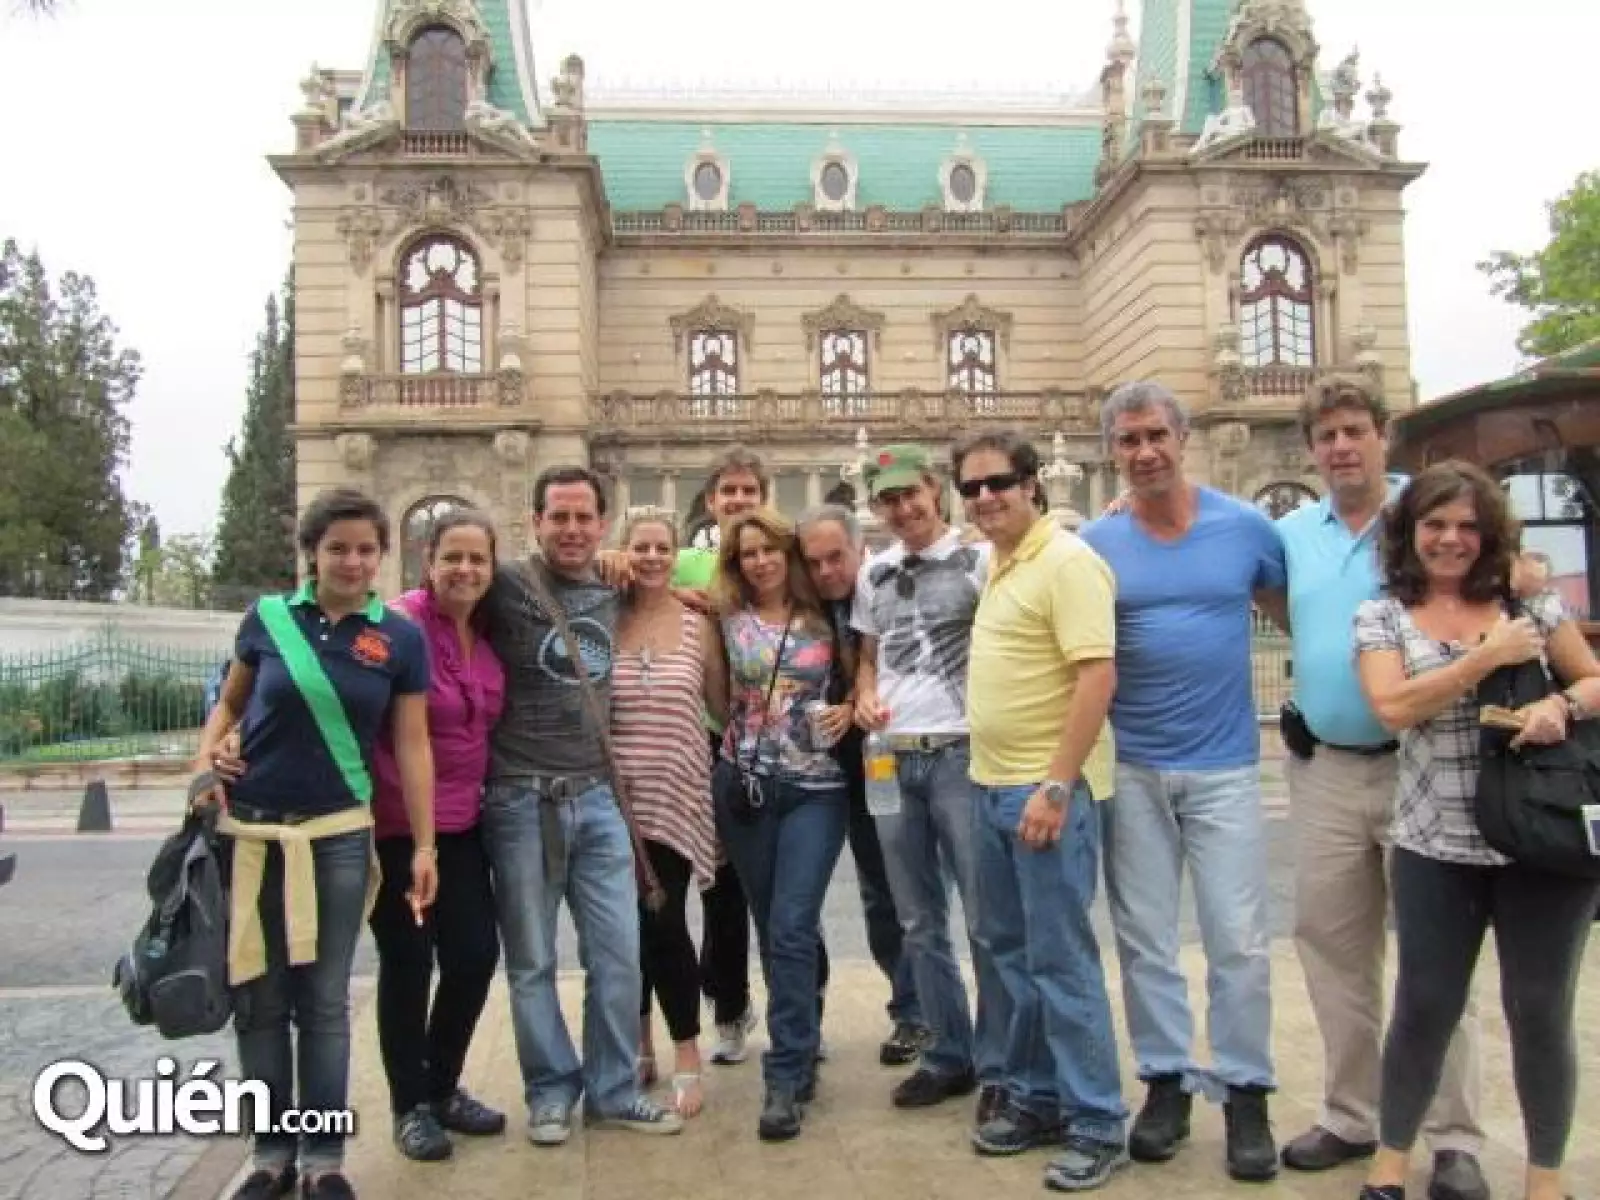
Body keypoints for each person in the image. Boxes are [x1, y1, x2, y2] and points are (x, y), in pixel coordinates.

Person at [1353, 461, 1600, 1200]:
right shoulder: (1384, 614)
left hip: (1540, 844)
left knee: (1540, 1012)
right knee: (1425, 1006)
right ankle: (1390, 1164)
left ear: (1488, 532)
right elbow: (1392, 707)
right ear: (1410, 532)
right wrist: (1486, 658)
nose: (1451, 539)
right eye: (1435, 524)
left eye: (1466, 526)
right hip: (1437, 844)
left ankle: (1544, 1181)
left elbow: (1592, 678)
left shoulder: (1534, 606)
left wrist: (1563, 708)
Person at [1275, 376, 1488, 1200]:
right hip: (1325, 768)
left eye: (1354, 430)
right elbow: (1277, 604)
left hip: (1425, 766)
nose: (1341, 447)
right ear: (1312, 448)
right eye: (1326, 435)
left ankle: (1454, 1137)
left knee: (1437, 959)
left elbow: (1502, 575)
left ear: (1383, 435)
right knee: (1333, 950)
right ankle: (1352, 1115)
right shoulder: (1292, 532)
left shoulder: (1431, 518)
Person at [193, 487, 436, 1200]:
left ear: (382, 556)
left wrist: (424, 847)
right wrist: (209, 758)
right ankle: (271, 1154)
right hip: (253, 831)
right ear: (312, 553)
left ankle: (324, 1158)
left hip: (336, 833)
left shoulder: (397, 637)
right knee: (260, 998)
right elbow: (231, 702)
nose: (353, 561)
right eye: (338, 548)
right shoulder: (267, 620)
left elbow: (412, 745)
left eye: (366, 549)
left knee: (324, 1001)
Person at [1079, 381, 1284, 1182]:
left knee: (1239, 943)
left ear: (1183, 436)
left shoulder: (1246, 528)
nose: (1144, 452)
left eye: (1155, 435)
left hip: (1227, 767)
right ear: (1112, 452)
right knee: (1144, 941)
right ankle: (1165, 1081)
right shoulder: (1097, 543)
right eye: (1127, 440)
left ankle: (1247, 1090)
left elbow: (1294, 612)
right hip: (1131, 767)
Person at [479, 465, 683, 1146]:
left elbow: (675, 598)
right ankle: (550, 1091)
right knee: (532, 960)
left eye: (582, 517)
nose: (570, 528)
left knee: (619, 955)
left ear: (601, 524)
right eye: (557, 516)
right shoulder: (503, 584)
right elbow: (428, 612)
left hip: (598, 798)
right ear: (535, 521)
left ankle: (614, 1089)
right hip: (519, 799)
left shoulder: (612, 587)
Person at [957, 431, 1129, 1192]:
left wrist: (1056, 785)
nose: (985, 497)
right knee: (1012, 954)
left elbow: (1096, 677)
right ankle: (1038, 1097)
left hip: (1044, 792)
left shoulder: (1066, 561)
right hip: (992, 784)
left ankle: (1096, 1122)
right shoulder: (1000, 564)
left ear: (1032, 485)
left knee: (1060, 959)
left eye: (998, 482)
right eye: (971, 487)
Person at [847, 446, 1005, 1117]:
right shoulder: (874, 571)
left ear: (934, 491)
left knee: (986, 916)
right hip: (888, 755)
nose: (902, 509)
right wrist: (862, 697)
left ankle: (999, 1062)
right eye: (888, 500)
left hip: (960, 752)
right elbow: (867, 659)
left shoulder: (979, 561)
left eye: (910, 495)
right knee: (917, 918)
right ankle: (949, 1054)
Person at [707, 506, 854, 1141]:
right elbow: (718, 701)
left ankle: (786, 1072)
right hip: (747, 788)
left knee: (792, 924)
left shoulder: (831, 613)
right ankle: (804, 1031)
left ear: (786, 552)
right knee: (774, 927)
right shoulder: (722, 618)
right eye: (746, 554)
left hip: (817, 789)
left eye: (768, 549)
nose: (759, 561)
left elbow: (867, 674)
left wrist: (849, 708)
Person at [367, 509, 507, 1161]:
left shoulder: (489, 626)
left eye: (478, 558)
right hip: (399, 827)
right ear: (429, 558)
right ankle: (410, 1106)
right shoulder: (397, 626)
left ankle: (442, 1084)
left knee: (476, 956)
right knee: (408, 964)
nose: (466, 570)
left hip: (465, 825)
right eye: (453, 557)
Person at [795, 502, 930, 1069]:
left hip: (881, 764)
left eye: (836, 558)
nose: (827, 571)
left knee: (893, 895)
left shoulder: (888, 589)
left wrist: (857, 706)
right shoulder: (801, 603)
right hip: (816, 773)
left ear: (858, 549)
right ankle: (805, 1018)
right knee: (798, 903)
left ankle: (916, 1011)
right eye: (815, 561)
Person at [613, 506, 722, 1119]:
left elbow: (720, 706)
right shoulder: (605, 614)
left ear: (675, 554)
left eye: (661, 547)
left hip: (676, 794)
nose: (652, 557)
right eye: (640, 547)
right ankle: (639, 1040)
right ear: (624, 553)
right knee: (620, 931)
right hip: (610, 799)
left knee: (662, 922)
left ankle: (685, 1051)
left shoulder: (697, 623)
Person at [671, 446, 768, 1065]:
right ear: (711, 502)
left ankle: (799, 1011)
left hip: (773, 737)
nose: (736, 501)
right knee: (721, 884)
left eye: (747, 491)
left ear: (764, 498)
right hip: (707, 738)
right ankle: (729, 1010)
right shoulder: (686, 562)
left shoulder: (775, 560)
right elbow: (630, 569)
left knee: (785, 890)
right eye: (727, 491)